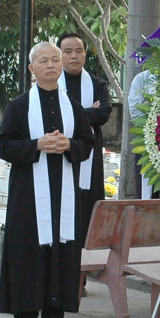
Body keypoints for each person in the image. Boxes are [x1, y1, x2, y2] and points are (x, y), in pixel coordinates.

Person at [0, 42, 94, 318]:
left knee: (61, 247)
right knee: (28, 245)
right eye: (43, 61)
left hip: (64, 191)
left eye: (54, 59)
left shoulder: (73, 107)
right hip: (28, 192)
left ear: (61, 65)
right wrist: (36, 145)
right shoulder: (19, 106)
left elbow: (87, 143)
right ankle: (25, 312)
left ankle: (54, 313)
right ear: (31, 68)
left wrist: (69, 145)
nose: (50, 65)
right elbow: (3, 145)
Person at [57, 32, 111, 244]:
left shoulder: (97, 85)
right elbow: (54, 116)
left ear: (85, 54)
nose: (74, 56)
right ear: (60, 55)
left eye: (78, 51)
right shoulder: (52, 84)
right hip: (61, 152)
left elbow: (103, 114)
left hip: (90, 153)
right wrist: (87, 111)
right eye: (68, 51)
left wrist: (71, 112)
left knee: (87, 203)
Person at [127, 68, 158, 198]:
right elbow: (136, 114)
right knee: (146, 194)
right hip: (146, 141)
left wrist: (149, 105)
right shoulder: (141, 79)